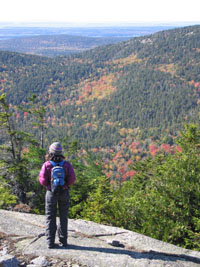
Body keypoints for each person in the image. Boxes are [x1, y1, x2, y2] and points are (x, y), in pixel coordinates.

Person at [39, 142, 76, 249]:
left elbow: (42, 180)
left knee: (50, 217)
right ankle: (63, 241)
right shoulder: (67, 165)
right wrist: (65, 186)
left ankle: (50, 242)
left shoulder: (47, 165)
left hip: (51, 193)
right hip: (64, 193)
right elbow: (72, 179)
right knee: (63, 217)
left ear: (50, 152)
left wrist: (49, 186)